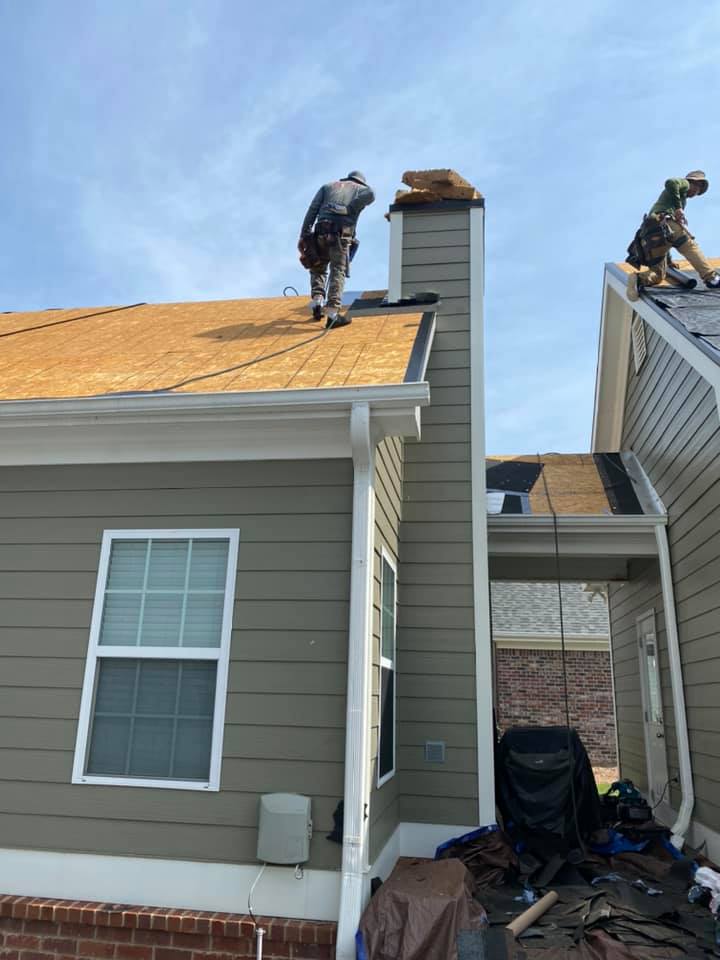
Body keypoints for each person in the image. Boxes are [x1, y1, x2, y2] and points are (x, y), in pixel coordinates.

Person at [627, 171, 720, 301]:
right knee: (689, 246)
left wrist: (669, 262)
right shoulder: (685, 184)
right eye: (698, 190)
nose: (696, 194)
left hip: (651, 235)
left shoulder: (676, 199)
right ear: (695, 182)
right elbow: (671, 182)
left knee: (659, 275)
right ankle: (712, 278)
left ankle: (638, 278)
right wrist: (678, 208)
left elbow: (667, 239)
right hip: (663, 222)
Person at [298, 171, 375, 328]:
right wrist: (348, 209)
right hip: (340, 235)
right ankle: (332, 314)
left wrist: (304, 235)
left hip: (320, 231)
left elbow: (312, 209)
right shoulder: (360, 189)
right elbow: (372, 193)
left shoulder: (327, 186)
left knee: (318, 267)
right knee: (337, 271)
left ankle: (317, 301)